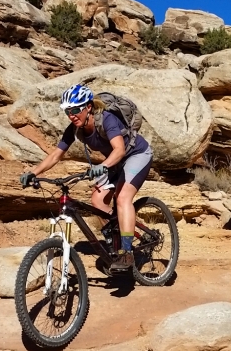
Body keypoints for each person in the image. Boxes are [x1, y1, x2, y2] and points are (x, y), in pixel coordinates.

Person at [19, 84, 153, 271]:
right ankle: (114, 239)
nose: (71, 115)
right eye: (68, 111)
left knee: (122, 197)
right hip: (115, 161)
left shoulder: (107, 120)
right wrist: (34, 172)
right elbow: (56, 155)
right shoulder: (75, 128)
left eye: (75, 110)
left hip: (136, 155)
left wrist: (103, 166)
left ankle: (127, 252)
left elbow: (119, 150)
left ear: (88, 107)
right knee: (97, 199)